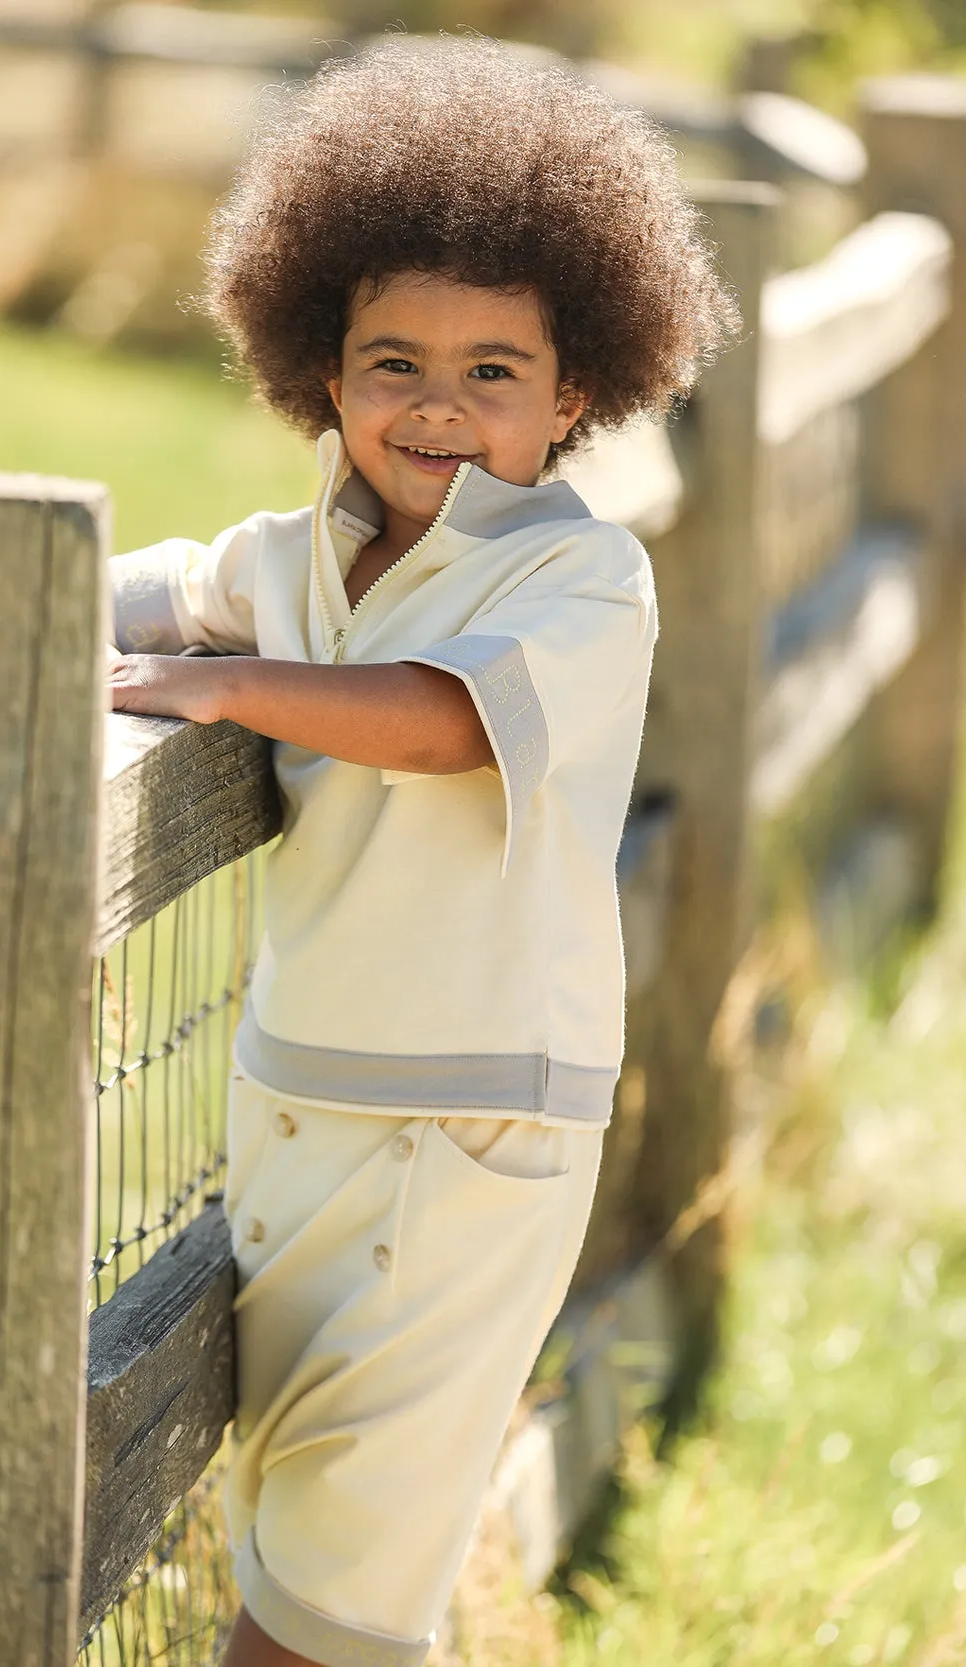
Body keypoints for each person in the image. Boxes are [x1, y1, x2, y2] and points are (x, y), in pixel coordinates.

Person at [106, 35, 736, 1667]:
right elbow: (154, 593)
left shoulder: (578, 585)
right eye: (392, 362)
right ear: (321, 371)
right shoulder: (300, 552)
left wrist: (238, 683)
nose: (436, 405)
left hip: (462, 1139)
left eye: (491, 372)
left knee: (315, 1617)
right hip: (298, 1099)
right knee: (321, 1561)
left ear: (579, 387)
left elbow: (446, 722)